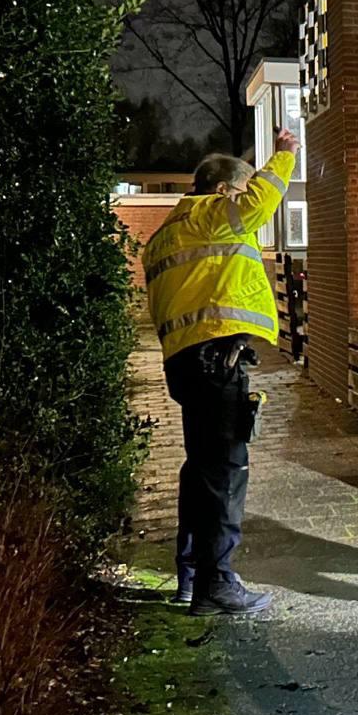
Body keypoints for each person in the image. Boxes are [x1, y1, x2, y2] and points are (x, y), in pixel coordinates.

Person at [142, 130, 299, 617]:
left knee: (201, 471)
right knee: (226, 472)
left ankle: (191, 577)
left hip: (187, 361)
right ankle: (218, 584)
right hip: (215, 360)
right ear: (226, 190)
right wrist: (284, 157)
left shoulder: (165, 236)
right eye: (241, 186)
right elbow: (255, 205)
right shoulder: (209, 217)